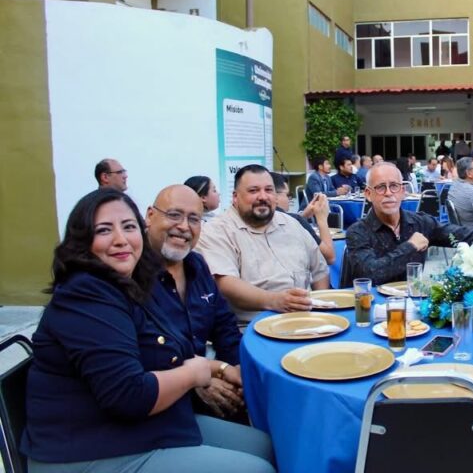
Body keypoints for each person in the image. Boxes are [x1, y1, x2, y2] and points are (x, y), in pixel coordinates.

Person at [21, 189, 274, 473]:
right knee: (256, 469)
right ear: (83, 241)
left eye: (128, 227)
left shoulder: (129, 284)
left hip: (139, 426)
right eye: (104, 230)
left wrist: (219, 367)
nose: (121, 239)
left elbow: (166, 352)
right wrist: (193, 375)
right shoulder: (86, 293)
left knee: (263, 445)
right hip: (89, 448)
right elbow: (129, 396)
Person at [346, 162, 473, 284]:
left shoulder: (420, 223)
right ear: (368, 194)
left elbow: (466, 235)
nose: (388, 193)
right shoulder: (358, 231)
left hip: (415, 305)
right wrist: (409, 246)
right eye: (380, 187)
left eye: (394, 186)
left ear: (403, 191)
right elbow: (369, 274)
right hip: (374, 312)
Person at [146, 185, 245, 421]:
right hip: (158, 405)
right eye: (174, 215)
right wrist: (195, 383)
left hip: (208, 381)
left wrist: (238, 368)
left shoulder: (197, 265)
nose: (184, 226)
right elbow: (143, 354)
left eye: (194, 219)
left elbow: (225, 327)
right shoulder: (132, 275)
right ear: (150, 215)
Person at [196, 164, 329, 323]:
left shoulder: (292, 224)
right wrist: (275, 301)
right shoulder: (216, 231)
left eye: (268, 190)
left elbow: (320, 270)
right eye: (253, 191)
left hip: (306, 320)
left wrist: (322, 313)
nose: (263, 197)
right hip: (250, 328)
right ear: (235, 197)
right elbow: (225, 283)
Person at [271, 172, 336, 265]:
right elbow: (329, 257)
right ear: (274, 196)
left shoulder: (253, 219)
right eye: (288, 195)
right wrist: (322, 219)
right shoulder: (293, 221)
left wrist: (303, 215)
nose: (289, 199)